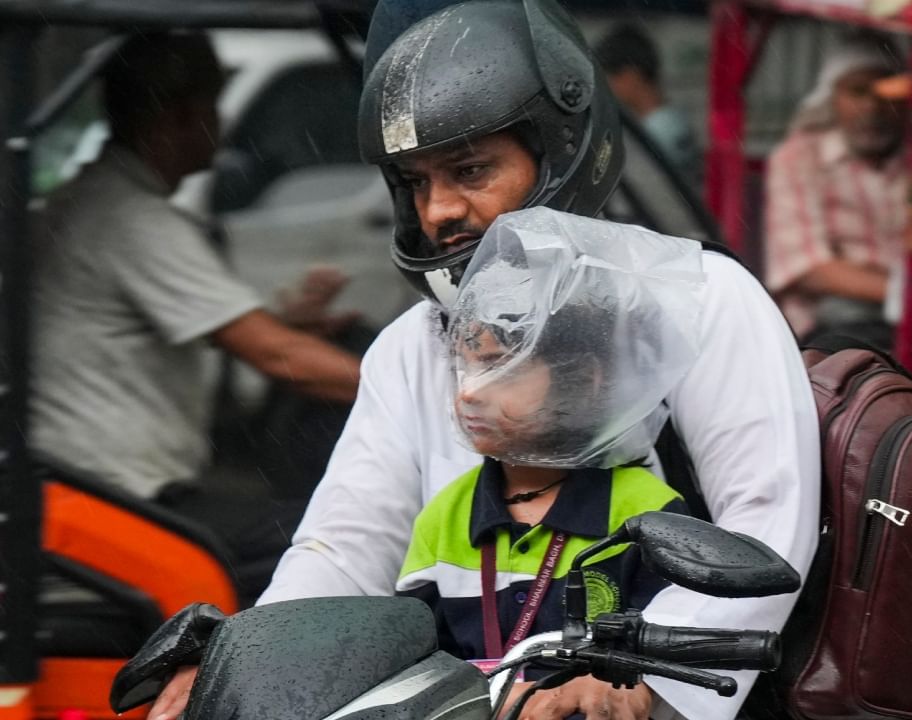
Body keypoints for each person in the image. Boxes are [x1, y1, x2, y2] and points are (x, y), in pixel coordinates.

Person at [145, 3, 820, 720]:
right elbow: (346, 548)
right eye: (415, 183)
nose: (438, 211)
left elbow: (766, 523)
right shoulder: (415, 344)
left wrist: (641, 677)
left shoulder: (697, 302)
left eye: (469, 170)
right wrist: (254, 663)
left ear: (559, 153)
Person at [29, 32, 362, 598]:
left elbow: (242, 333)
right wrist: (422, 394)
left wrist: (292, 327)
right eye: (213, 105)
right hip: (120, 501)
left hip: (79, 489)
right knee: (335, 542)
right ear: (183, 115)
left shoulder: (91, 202)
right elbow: (276, 356)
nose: (220, 124)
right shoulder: (134, 221)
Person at [397, 212, 694, 690]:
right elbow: (419, 667)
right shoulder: (443, 520)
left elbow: (669, 657)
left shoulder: (646, 512)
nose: (470, 393)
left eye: (501, 368)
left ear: (582, 380)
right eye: (465, 368)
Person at [763, 38, 909, 348]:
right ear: (833, 98)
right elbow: (808, 268)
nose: (872, 106)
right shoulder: (799, 157)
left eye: (887, 92)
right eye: (858, 92)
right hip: (831, 328)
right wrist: (902, 290)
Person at [595, 22, 701, 188]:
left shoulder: (657, 132)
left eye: (610, 79)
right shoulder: (675, 120)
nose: (608, 88)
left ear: (631, 75)